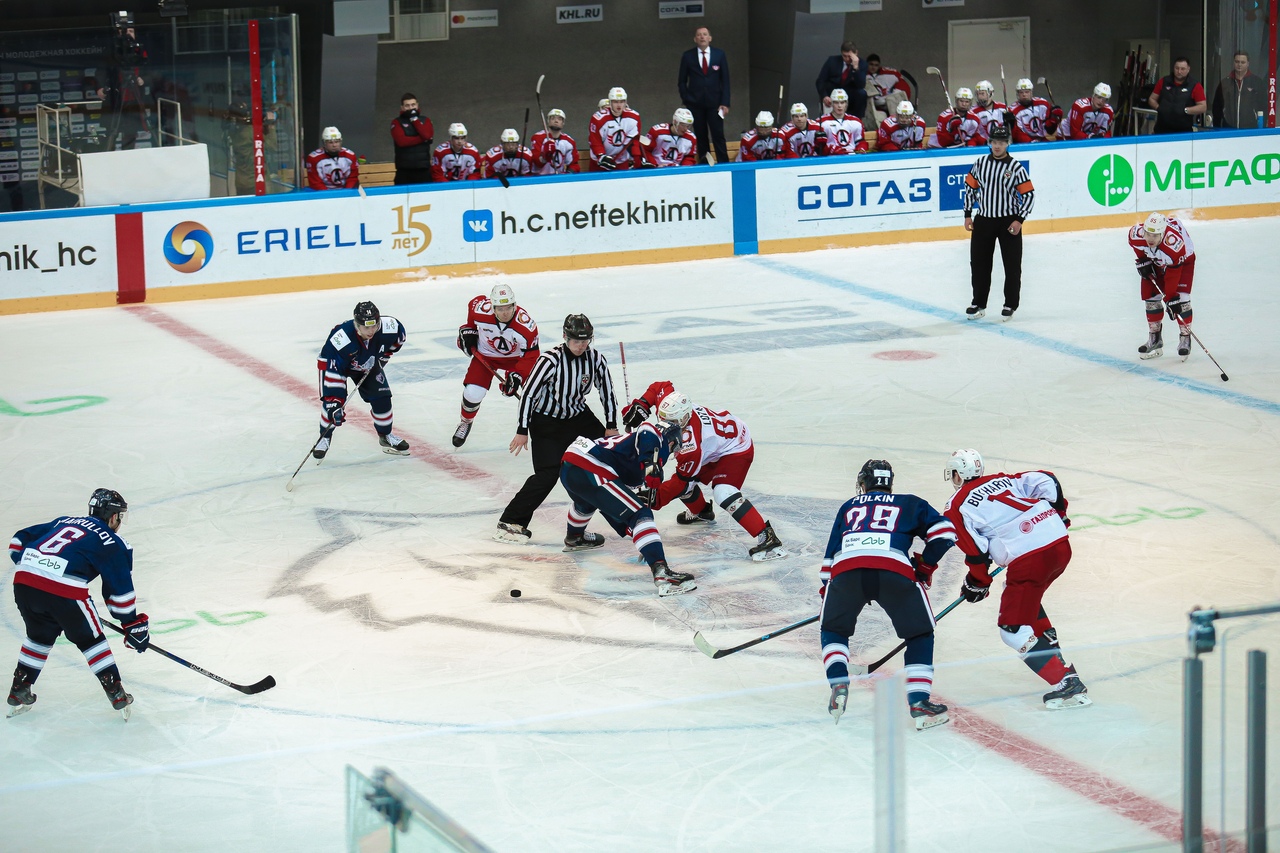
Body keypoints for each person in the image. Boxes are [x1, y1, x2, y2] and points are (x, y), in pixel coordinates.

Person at [942, 449, 1091, 711]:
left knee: (1012, 629)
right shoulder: (1003, 479)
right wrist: (1060, 513)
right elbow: (1047, 479)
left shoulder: (956, 506)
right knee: (1028, 598)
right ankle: (1050, 650)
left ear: (957, 474)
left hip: (1031, 561)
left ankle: (1067, 683)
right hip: (1059, 546)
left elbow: (975, 552)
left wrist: (977, 582)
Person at [821, 460, 957, 727]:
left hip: (845, 570)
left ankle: (838, 682)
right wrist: (925, 565)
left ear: (863, 483)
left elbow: (828, 561)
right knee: (919, 634)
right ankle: (919, 703)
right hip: (894, 570)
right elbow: (945, 533)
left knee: (833, 629)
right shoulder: (909, 503)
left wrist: (829, 592)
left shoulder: (849, 506)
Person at [7, 489, 146, 719]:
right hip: (63, 590)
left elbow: (18, 540)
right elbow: (119, 593)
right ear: (113, 516)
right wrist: (132, 623)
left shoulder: (64, 521)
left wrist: (35, 566)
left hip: (24, 582)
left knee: (39, 635)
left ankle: (19, 689)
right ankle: (116, 692)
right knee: (90, 639)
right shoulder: (112, 541)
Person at [621, 383, 785, 561]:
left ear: (684, 419)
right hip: (716, 445)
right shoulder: (673, 410)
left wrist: (656, 498)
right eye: (662, 419)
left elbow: (682, 482)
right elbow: (661, 386)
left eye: (672, 423)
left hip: (736, 448)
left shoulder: (690, 446)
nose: (666, 425)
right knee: (686, 480)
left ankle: (767, 536)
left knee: (723, 492)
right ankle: (702, 512)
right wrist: (643, 404)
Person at [495, 314, 620, 544]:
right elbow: (529, 395)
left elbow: (607, 393)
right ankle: (510, 522)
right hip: (546, 422)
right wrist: (522, 429)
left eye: (585, 341)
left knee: (609, 454)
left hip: (578, 417)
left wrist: (611, 426)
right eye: (576, 341)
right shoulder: (549, 360)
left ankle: (617, 513)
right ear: (565, 337)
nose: (581, 346)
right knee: (548, 474)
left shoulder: (595, 359)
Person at [559, 419, 697, 596]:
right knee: (641, 514)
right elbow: (647, 429)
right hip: (588, 464)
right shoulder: (658, 439)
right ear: (672, 442)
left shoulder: (633, 454)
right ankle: (661, 571)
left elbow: (611, 505)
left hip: (570, 465)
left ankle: (575, 537)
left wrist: (638, 536)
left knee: (587, 502)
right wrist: (650, 464)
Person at [315, 301, 409, 459]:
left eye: (375, 326)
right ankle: (324, 437)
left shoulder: (390, 327)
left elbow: (399, 339)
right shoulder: (341, 339)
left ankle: (385, 436)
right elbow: (334, 370)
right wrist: (335, 401)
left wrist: (383, 357)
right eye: (366, 328)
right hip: (335, 365)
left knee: (382, 399)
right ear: (357, 325)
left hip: (366, 362)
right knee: (332, 406)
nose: (371, 331)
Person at [962, 123, 1034, 321]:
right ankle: (978, 302)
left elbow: (1029, 195)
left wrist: (1019, 219)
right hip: (983, 221)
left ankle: (1010, 304)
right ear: (990, 142)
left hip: (1008, 222)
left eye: (1001, 142)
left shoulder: (1016, 167)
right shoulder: (980, 163)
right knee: (979, 264)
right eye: (994, 142)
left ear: (1007, 144)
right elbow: (970, 189)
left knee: (1012, 265)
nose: (997, 146)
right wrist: (967, 214)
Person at [453, 283, 540, 447]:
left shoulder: (526, 326)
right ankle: (465, 422)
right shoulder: (480, 311)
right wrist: (469, 329)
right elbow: (473, 304)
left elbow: (531, 356)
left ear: (515, 305)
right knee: (472, 393)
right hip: (486, 357)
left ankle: (544, 423)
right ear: (493, 307)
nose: (505, 312)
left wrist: (518, 375)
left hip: (517, 360)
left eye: (508, 307)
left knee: (536, 392)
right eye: (500, 309)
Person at [1128, 212, 1197, 360]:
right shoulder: (1136, 234)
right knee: (1151, 296)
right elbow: (1138, 247)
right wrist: (1143, 261)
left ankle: (1185, 338)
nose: (1150, 239)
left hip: (1183, 261)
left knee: (1181, 299)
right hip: (1157, 258)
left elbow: (1172, 275)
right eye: (1148, 234)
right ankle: (1155, 338)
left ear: (1163, 234)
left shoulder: (1174, 245)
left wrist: (1171, 298)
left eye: (1155, 236)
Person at [677, 26, 731, 165]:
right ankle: (705, 165)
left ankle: (724, 165)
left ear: (710, 38)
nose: (702, 37)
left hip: (715, 104)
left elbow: (725, 81)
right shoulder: (688, 56)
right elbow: (682, 81)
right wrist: (686, 99)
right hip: (695, 104)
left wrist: (725, 102)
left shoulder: (719, 54)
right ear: (695, 39)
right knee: (701, 136)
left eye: (705, 34)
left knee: (718, 135)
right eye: (699, 35)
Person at [1148, 56, 1207, 134]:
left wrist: (1185, 110)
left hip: (1184, 132)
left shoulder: (1195, 85)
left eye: (1182, 69)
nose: (1179, 71)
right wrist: (1159, 108)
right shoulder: (1163, 81)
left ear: (1188, 69)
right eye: (1177, 68)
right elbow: (1152, 99)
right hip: (1161, 130)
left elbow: (1203, 107)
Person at [588, 88, 642, 171]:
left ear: (626, 102)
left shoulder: (634, 117)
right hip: (600, 162)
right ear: (610, 102)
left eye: (622, 101)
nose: (619, 105)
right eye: (616, 102)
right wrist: (601, 156)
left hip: (621, 162)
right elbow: (595, 140)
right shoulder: (598, 118)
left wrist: (638, 159)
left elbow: (632, 142)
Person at [1212, 51, 1267, 129]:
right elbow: (1217, 108)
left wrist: (1262, 127)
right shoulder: (1225, 83)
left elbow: (1264, 106)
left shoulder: (1257, 82)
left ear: (1248, 64)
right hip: (1228, 129)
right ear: (1233, 63)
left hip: (1251, 129)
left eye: (1243, 62)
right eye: (1237, 62)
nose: (1239, 65)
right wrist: (1217, 128)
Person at [814, 41, 868, 120]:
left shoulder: (862, 64)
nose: (847, 59)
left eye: (849, 56)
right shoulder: (832, 61)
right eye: (844, 56)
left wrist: (856, 68)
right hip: (832, 91)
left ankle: (857, 119)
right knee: (827, 86)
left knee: (862, 93)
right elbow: (820, 81)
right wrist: (824, 96)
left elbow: (861, 85)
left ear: (856, 53)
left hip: (850, 93)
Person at [390, 92, 434, 185]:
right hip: (404, 170)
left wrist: (415, 120)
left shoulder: (425, 120)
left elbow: (427, 135)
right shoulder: (396, 122)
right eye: (407, 105)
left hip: (423, 169)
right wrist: (423, 139)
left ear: (417, 105)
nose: (411, 108)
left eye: (413, 105)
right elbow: (402, 141)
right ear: (402, 107)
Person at [305, 126, 359, 191]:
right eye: (330, 142)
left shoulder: (350, 156)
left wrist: (346, 193)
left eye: (337, 142)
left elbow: (352, 178)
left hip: (345, 191)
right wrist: (329, 195)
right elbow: (315, 182)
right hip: (323, 193)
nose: (334, 145)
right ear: (324, 143)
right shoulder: (314, 158)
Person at [1008, 78, 1061, 143]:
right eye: (1021, 92)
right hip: (1025, 142)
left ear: (1031, 92)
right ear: (1018, 94)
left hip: (1041, 139)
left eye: (1027, 92)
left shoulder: (1043, 104)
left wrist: (1054, 119)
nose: (1024, 95)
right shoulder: (1013, 110)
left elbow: (1050, 131)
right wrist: (1031, 142)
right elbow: (1018, 133)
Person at [818, 89, 868, 156]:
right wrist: (833, 150)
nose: (839, 106)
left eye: (842, 103)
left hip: (852, 157)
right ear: (832, 104)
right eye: (836, 103)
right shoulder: (821, 122)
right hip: (831, 158)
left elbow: (860, 141)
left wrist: (861, 148)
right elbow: (820, 146)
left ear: (846, 104)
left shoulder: (856, 121)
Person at [530, 109, 580, 175]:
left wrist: (568, 174)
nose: (556, 121)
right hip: (539, 177)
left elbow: (574, 164)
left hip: (559, 178)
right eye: (553, 118)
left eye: (559, 119)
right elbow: (535, 162)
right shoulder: (538, 137)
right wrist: (545, 156)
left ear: (563, 123)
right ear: (548, 121)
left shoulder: (569, 141)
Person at [864, 54, 911, 120]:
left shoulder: (889, 73)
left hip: (888, 100)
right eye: (871, 64)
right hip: (872, 102)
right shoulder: (861, 74)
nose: (873, 67)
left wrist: (894, 94)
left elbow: (903, 86)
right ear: (866, 64)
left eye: (876, 65)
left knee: (895, 102)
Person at [965, 81, 1008, 146]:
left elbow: (1011, 129)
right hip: (983, 145)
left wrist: (1012, 123)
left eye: (982, 94)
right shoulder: (972, 111)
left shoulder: (1002, 107)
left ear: (990, 93)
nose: (980, 97)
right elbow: (972, 133)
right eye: (978, 94)